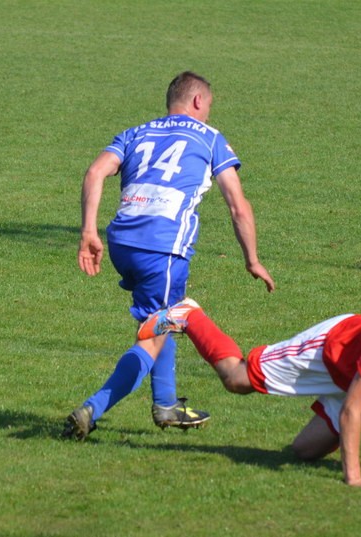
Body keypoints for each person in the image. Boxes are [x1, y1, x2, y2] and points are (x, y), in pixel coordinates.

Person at [62, 72, 275, 441]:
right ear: (197, 101)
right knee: (153, 335)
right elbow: (238, 206)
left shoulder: (135, 133)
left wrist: (88, 232)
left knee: (163, 317)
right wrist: (252, 259)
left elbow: (95, 172)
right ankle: (91, 409)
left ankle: (166, 403)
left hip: (122, 242)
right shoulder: (210, 138)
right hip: (162, 249)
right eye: (209, 105)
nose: (208, 113)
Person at [137, 299, 361, 487]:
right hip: (334, 349)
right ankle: (190, 316)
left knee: (304, 452)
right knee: (237, 380)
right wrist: (354, 479)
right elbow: (353, 411)